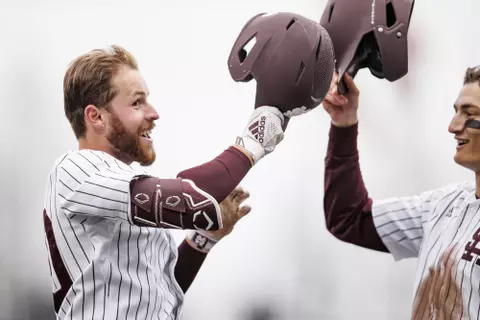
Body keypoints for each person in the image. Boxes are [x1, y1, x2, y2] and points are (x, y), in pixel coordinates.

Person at [42, 44, 286, 320]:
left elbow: (159, 296)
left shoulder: (118, 190)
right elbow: (189, 198)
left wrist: (202, 240)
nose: (153, 113)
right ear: (95, 116)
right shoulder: (75, 169)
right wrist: (251, 144)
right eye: (137, 102)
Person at [323, 68, 480, 319]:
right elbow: (348, 218)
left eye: (469, 113)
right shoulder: (442, 205)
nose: (453, 126)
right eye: (456, 112)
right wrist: (344, 124)